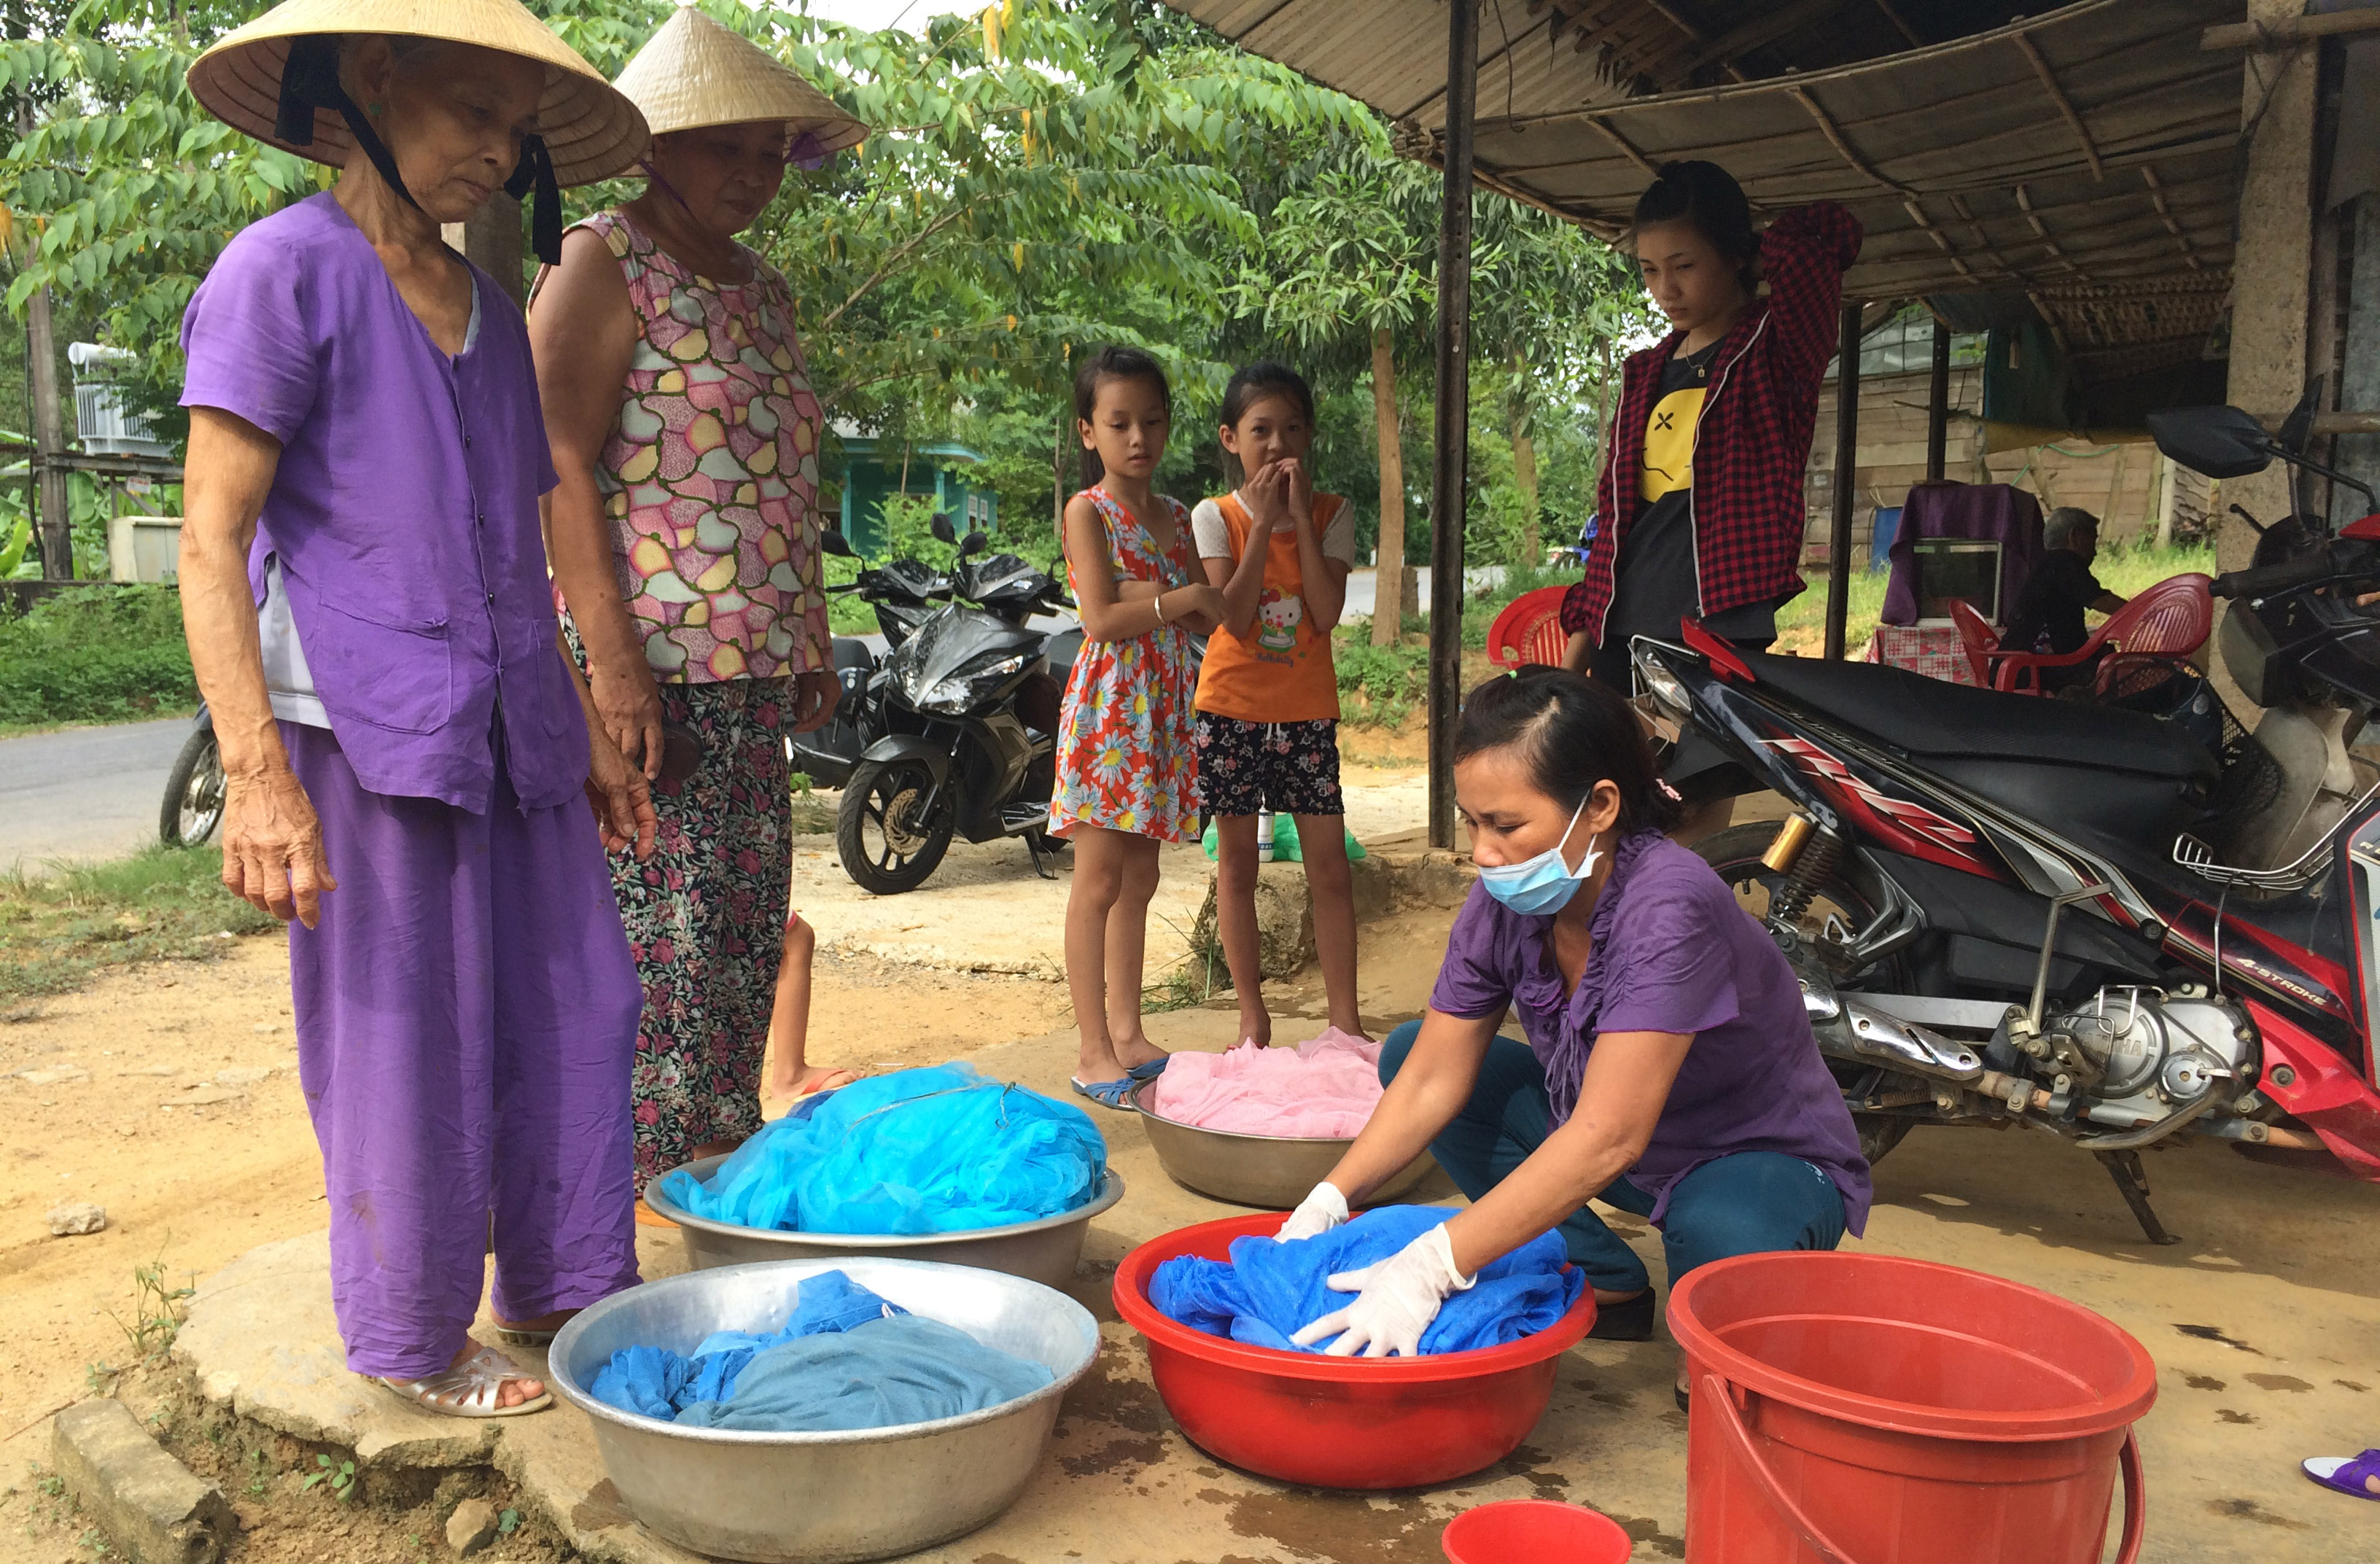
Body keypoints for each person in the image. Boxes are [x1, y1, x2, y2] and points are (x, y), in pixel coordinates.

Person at [176, 0, 653, 1417]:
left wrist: (581, 741)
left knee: (584, 1003)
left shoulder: (497, 317)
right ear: (373, 85)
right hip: (367, 739)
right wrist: (257, 781)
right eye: (471, 114)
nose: (498, 152)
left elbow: (519, 547)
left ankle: (566, 1287)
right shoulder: (282, 275)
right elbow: (210, 541)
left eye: (514, 129)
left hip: (514, 732)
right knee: (409, 1040)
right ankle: (416, 1342)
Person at [1275, 669, 1868, 1401]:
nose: (1483, 851)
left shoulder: (1670, 908)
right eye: (1472, 821)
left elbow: (1607, 1137)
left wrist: (1436, 1262)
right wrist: (1328, 1199)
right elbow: (1431, 1075)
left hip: (1748, 1156)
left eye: (1505, 825)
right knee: (1407, 1059)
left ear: (1601, 806)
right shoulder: (1506, 901)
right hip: (1618, 1138)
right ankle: (1606, 1279)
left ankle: (1733, 1297)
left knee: (1721, 1298)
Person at [527, 5, 868, 1193]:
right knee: (654, 935)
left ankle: (711, 1157)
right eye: (730, 145)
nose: (753, 173)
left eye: (772, 152)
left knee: (738, 926)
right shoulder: (600, 261)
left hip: (753, 678)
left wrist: (807, 628)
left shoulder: (764, 294)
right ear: (658, 142)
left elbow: (782, 473)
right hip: (654, 678)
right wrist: (609, 665)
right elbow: (554, 458)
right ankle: (628, 1179)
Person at [1560, 162, 1859, 833]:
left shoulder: (1775, 352)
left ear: (1736, 256)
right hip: (1622, 629)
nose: (1664, 288)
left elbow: (1825, 237)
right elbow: (1612, 532)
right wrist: (1570, 668)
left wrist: (1758, 243)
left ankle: (1677, 937)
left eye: (1685, 264)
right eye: (1648, 269)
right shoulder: (1645, 373)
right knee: (1598, 816)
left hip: (1713, 626)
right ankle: (1621, 940)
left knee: (1688, 822)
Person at [1051, 346, 1226, 1108]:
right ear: (1088, 431)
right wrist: (1171, 597)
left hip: (1162, 711)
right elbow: (1100, 618)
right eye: (1118, 422)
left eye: (1151, 421)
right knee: (1098, 880)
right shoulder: (1088, 510)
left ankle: (1128, 1032)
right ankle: (1092, 1051)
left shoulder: (1178, 516)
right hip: (1110, 711)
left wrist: (1164, 593)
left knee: (1143, 877)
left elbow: (1211, 604)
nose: (1137, 437)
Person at [1191, 363, 1366, 1049]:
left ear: (1309, 435)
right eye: (1260, 430)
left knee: (1330, 866)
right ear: (1231, 438)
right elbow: (1232, 617)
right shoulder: (1216, 516)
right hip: (1230, 711)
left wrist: (1296, 517)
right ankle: (1251, 1017)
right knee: (1237, 865)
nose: (1276, 443)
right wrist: (1263, 525)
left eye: (1291, 428)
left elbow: (1323, 612)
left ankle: (1345, 1020)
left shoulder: (1332, 512)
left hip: (1306, 715)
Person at [1999, 506, 2126, 677]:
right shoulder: (2064, 563)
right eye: (2092, 540)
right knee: (2122, 672)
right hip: (2035, 668)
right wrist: (2149, 613)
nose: (2095, 552)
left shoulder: (2047, 563)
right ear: (2074, 537)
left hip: (2019, 666)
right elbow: (2102, 601)